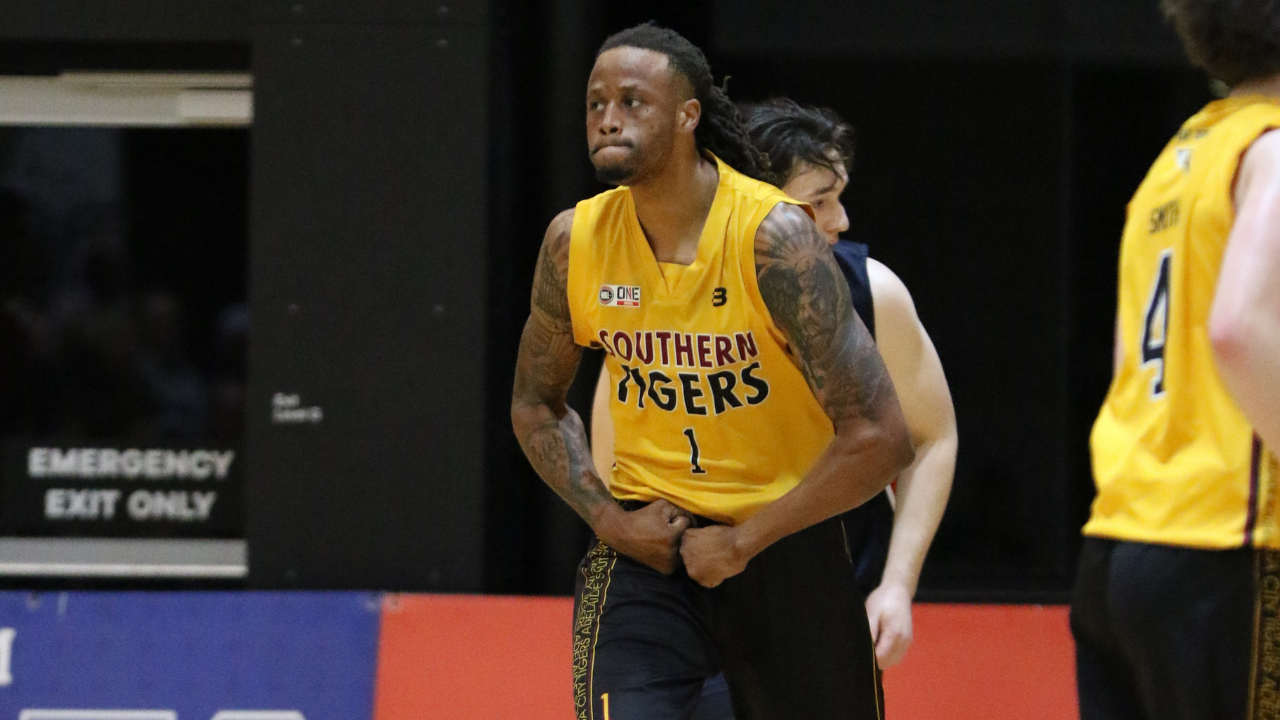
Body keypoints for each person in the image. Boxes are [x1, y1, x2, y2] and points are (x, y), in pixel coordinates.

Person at [510, 23, 915, 720]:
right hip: (648, 549)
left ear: (688, 115)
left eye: (632, 101)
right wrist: (609, 520)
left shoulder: (774, 240)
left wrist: (742, 541)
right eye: (596, 103)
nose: (607, 117)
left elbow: (882, 437)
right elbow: (535, 405)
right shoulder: (574, 242)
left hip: (783, 540)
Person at [593, 98, 956, 678]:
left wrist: (896, 586)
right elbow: (614, 467)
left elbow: (933, 436)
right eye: (819, 201)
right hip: (695, 591)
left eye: (839, 196)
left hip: (831, 584)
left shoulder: (873, 295)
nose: (841, 220)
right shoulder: (659, 300)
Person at [1070, 1, 1280, 717]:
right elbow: (1237, 330)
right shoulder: (1272, 149)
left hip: (1119, 543)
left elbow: (1127, 359)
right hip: (1227, 545)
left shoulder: (1173, 161)